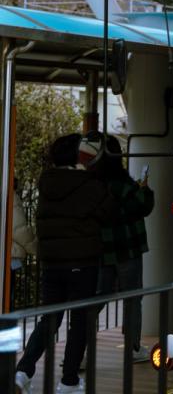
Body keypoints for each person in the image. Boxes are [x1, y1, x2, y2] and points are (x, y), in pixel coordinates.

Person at [15, 134, 117, 394]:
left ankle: (23, 372)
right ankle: (68, 380)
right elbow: (110, 212)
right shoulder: (89, 183)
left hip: (52, 262)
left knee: (49, 319)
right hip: (82, 262)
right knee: (79, 321)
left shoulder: (47, 183)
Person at [94, 135, 154, 363]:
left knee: (95, 298)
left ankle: (77, 349)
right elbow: (142, 206)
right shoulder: (124, 184)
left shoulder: (93, 183)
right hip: (128, 247)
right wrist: (145, 188)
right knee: (133, 298)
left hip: (101, 248)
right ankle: (133, 348)